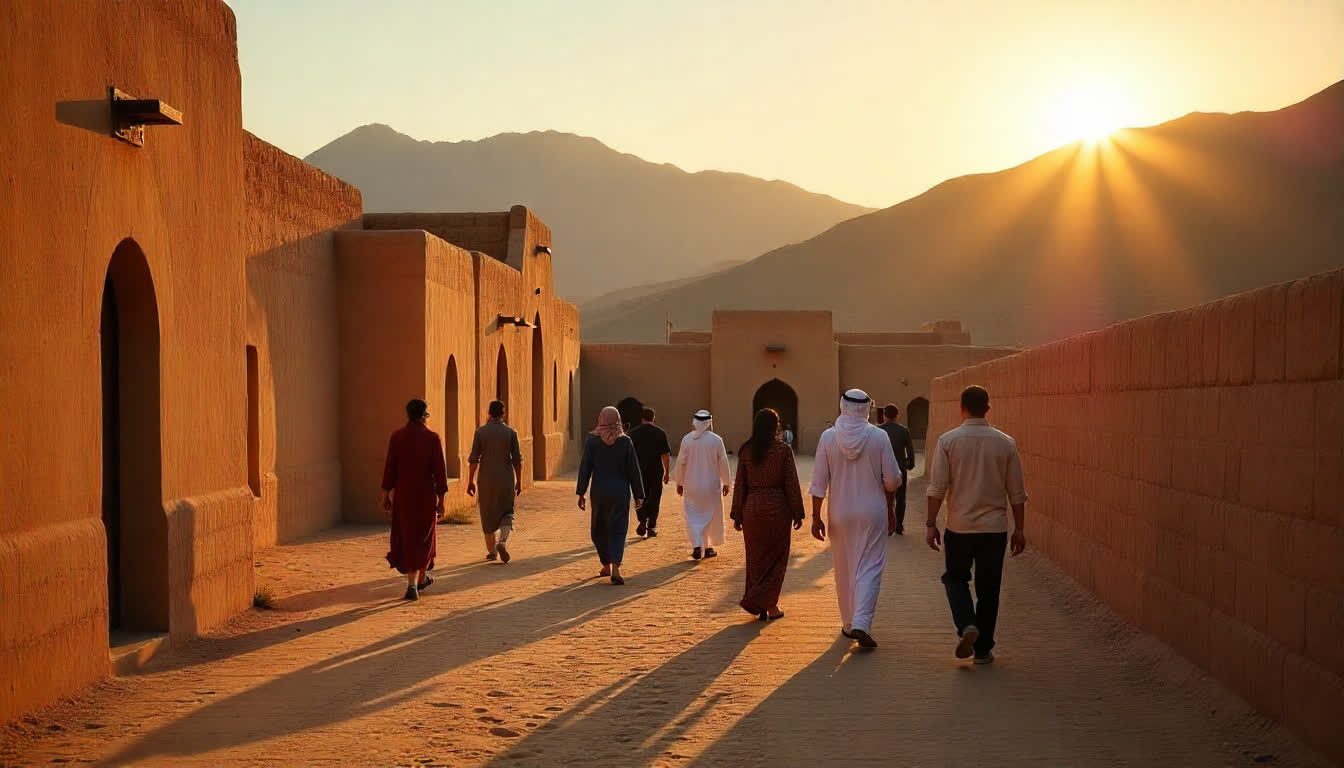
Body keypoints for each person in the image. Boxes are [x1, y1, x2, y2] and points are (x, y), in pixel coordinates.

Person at [925, 385, 1029, 665]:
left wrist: (930, 523)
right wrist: (1019, 529)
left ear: (962, 407)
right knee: (989, 588)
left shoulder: (948, 441)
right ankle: (983, 649)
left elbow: (937, 488)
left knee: (955, 578)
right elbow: (1017, 492)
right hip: (994, 529)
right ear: (988, 408)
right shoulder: (1005, 443)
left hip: (960, 527)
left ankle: (966, 624)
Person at [809, 389, 902, 648]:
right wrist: (891, 505)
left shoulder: (828, 438)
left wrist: (816, 517)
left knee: (845, 568)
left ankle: (850, 624)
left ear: (842, 407)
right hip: (873, 512)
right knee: (869, 567)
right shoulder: (879, 436)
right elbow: (893, 480)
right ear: (866, 410)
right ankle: (861, 622)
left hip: (839, 513)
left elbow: (818, 483)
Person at [731, 408, 805, 620]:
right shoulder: (782, 451)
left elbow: (740, 485)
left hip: (752, 508)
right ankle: (769, 605)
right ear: (776, 427)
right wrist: (798, 512)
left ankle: (760, 603)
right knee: (776, 558)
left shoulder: (746, 450)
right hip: (777, 508)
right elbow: (791, 482)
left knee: (756, 558)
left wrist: (737, 513)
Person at [379, 398, 449, 601]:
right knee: (424, 539)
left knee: (407, 537)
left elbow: (390, 468)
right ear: (424, 415)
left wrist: (385, 494)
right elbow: (440, 472)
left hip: (404, 497)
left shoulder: (397, 437)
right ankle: (419, 580)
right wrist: (441, 500)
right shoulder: (433, 439)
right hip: (426, 496)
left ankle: (415, 583)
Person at [576, 406, 646, 584]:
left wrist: (581, 492)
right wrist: (639, 494)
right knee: (618, 528)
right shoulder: (625, 441)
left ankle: (606, 564)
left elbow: (585, 468)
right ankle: (614, 566)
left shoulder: (592, 440)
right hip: (620, 491)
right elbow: (633, 470)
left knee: (599, 529)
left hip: (600, 492)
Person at [466, 400, 523, 563]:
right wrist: (519, 480)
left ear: (489, 413)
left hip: (485, 479)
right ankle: (503, 542)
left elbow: (474, 460)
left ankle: (492, 551)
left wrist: (471, 481)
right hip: (505, 478)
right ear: (503, 414)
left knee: (487, 513)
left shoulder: (480, 432)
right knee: (507, 511)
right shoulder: (511, 433)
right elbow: (517, 460)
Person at [672, 409, 731, 560]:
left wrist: (679, 482)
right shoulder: (716, 440)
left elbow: (681, 463)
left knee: (693, 516)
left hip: (691, 485)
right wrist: (727, 482)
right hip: (710, 486)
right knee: (710, 516)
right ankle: (707, 547)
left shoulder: (687, 439)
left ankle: (698, 545)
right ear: (710, 422)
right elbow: (723, 463)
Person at [627, 407, 671, 538]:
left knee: (639, 496)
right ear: (653, 418)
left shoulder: (632, 434)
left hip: (638, 471)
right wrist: (667, 472)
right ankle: (651, 523)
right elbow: (665, 454)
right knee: (655, 496)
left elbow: (628, 455)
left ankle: (642, 520)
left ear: (642, 418)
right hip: (655, 470)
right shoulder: (660, 433)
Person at [878, 404, 917, 535]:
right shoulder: (903, 431)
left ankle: (885, 524)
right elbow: (910, 450)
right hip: (900, 468)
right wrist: (910, 463)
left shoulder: (878, 431)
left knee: (882, 498)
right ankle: (899, 525)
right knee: (901, 497)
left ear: (884, 414)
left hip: (882, 469)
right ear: (897, 415)